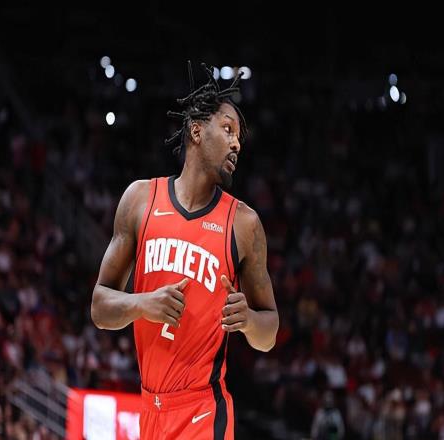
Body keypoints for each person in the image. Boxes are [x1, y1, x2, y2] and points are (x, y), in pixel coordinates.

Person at [91, 62, 279, 440]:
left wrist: (247, 320)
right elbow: (99, 307)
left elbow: (269, 330)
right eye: (227, 129)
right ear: (196, 130)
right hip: (150, 409)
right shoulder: (140, 200)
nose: (236, 144)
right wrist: (142, 304)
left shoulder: (243, 224)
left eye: (239, 137)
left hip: (203, 411)